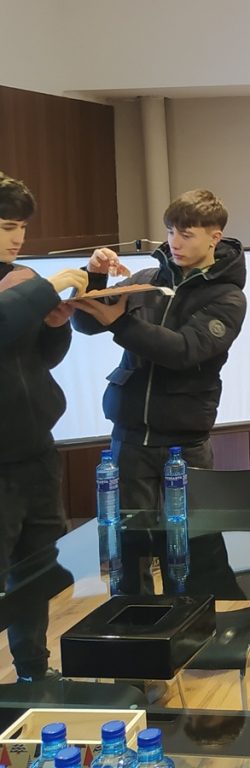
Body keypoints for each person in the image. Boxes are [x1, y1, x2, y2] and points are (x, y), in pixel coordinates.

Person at [73, 189, 246, 509]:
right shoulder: (145, 279)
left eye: (186, 234)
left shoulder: (227, 297)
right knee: (131, 534)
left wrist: (121, 323)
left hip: (185, 443)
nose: (174, 242)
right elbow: (85, 324)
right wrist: (94, 278)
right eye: (170, 232)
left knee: (193, 534)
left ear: (214, 238)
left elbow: (182, 352)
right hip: (129, 437)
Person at [0, 172, 87, 682]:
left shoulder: (23, 279)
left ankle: (33, 670)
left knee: (35, 570)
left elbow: (39, 358)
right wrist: (46, 288)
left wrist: (56, 326)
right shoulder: (28, 286)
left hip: (35, 450)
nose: (18, 238)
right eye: (7, 226)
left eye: (22, 228)